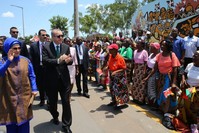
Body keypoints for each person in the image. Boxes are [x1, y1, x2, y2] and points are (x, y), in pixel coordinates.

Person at [0, 37, 38, 133]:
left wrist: (34, 88)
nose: (17, 50)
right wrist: (9, 61)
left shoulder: (26, 61)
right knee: (11, 123)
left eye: (18, 48)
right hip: (9, 96)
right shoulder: (3, 61)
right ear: (8, 49)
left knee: (24, 123)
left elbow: (32, 75)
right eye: (14, 48)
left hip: (24, 96)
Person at [42, 29, 73, 133]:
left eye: (62, 36)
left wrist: (69, 61)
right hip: (51, 81)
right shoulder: (46, 47)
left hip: (64, 80)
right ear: (53, 37)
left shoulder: (66, 47)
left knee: (66, 103)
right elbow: (45, 61)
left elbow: (69, 60)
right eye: (58, 36)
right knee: (52, 103)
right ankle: (55, 116)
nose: (61, 38)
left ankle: (66, 125)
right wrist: (59, 60)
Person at [143, 39, 180, 114]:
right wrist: (147, 77)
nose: (162, 46)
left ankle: (168, 110)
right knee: (159, 93)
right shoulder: (159, 55)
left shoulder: (172, 55)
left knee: (167, 94)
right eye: (161, 45)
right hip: (160, 78)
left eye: (163, 45)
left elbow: (175, 70)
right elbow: (155, 68)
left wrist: (173, 82)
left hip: (168, 78)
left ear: (168, 46)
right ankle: (161, 108)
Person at [179, 51, 199, 131]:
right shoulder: (190, 65)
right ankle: (186, 121)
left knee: (193, 108)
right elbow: (184, 73)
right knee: (184, 105)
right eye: (193, 55)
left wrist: (195, 89)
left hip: (196, 90)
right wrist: (183, 80)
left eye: (196, 56)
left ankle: (193, 124)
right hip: (188, 88)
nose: (193, 57)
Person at [105, 43, 129, 108]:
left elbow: (123, 68)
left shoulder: (120, 58)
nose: (109, 50)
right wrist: (107, 67)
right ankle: (114, 101)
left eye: (111, 49)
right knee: (112, 88)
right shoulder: (110, 56)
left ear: (115, 50)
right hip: (113, 75)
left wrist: (115, 71)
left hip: (119, 77)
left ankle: (119, 103)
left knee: (118, 90)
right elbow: (109, 64)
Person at [29, 29, 48, 107]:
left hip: (47, 68)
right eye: (43, 35)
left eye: (46, 35)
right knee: (40, 85)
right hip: (38, 68)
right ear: (39, 36)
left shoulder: (49, 45)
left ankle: (49, 102)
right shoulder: (33, 46)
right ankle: (42, 100)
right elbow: (31, 58)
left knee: (48, 85)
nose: (45, 36)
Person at [131, 39, 148, 104]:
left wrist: (144, 71)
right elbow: (134, 61)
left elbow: (146, 63)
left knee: (141, 85)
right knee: (135, 84)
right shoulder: (135, 51)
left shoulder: (144, 52)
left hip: (141, 69)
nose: (137, 45)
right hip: (136, 69)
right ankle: (135, 98)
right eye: (137, 43)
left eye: (138, 44)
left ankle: (140, 100)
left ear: (142, 45)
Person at [145, 42, 160, 107]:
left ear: (156, 49)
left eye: (152, 47)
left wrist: (148, 76)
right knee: (148, 88)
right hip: (149, 71)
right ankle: (149, 101)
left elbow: (155, 68)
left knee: (152, 88)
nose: (150, 48)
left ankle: (153, 104)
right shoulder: (151, 54)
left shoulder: (158, 56)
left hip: (153, 73)